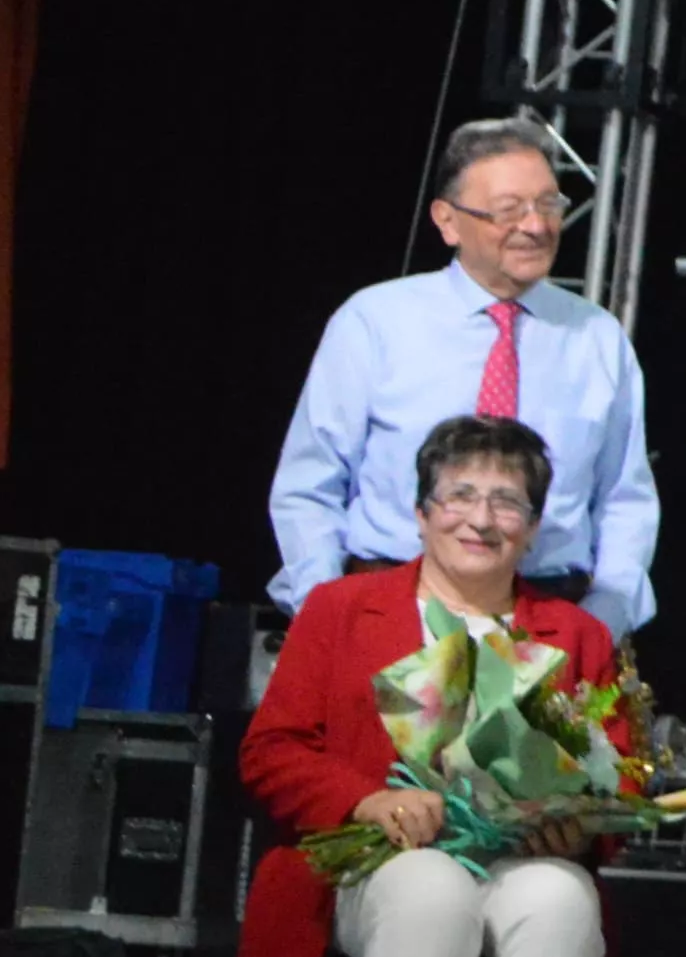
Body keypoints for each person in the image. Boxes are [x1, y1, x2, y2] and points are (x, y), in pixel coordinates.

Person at [234, 413, 615, 957]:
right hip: (382, 870)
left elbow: (610, 783)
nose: (482, 518)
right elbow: (271, 752)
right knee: (431, 892)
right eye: (462, 495)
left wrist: (578, 822)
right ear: (420, 511)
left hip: (520, 864)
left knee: (564, 901)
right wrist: (364, 800)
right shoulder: (341, 610)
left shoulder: (574, 636)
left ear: (534, 524)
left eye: (508, 501)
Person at [272, 116, 657, 636]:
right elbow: (308, 487)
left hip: (549, 617)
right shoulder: (375, 321)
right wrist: (329, 615)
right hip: (387, 609)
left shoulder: (596, 337)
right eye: (509, 210)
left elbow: (623, 499)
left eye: (549, 205)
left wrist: (600, 625)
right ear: (448, 220)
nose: (536, 226)